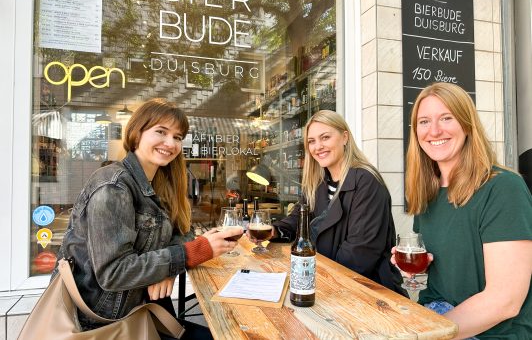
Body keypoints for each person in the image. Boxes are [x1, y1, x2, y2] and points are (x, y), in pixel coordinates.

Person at [52, 99, 241, 339]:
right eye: (161, 132)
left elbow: (182, 231)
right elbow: (114, 272)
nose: (170, 143)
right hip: (101, 324)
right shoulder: (114, 185)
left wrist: (168, 270)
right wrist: (193, 253)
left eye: (178, 137)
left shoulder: (157, 183)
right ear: (136, 133)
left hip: (141, 309)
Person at [394, 82, 532, 339]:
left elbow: (505, 300)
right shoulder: (428, 192)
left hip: (490, 333)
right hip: (434, 314)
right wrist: (414, 267)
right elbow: (448, 267)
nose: (434, 131)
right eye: (424, 122)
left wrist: (428, 333)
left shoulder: (503, 188)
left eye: (446, 118)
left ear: (467, 125)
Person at [264, 110, 406, 295]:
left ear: (344, 137)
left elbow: (358, 255)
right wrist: (273, 230)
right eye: (311, 141)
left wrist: (310, 276)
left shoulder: (366, 181)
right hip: (327, 284)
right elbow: (298, 219)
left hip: (366, 292)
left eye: (325, 137)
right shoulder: (319, 182)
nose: (318, 147)